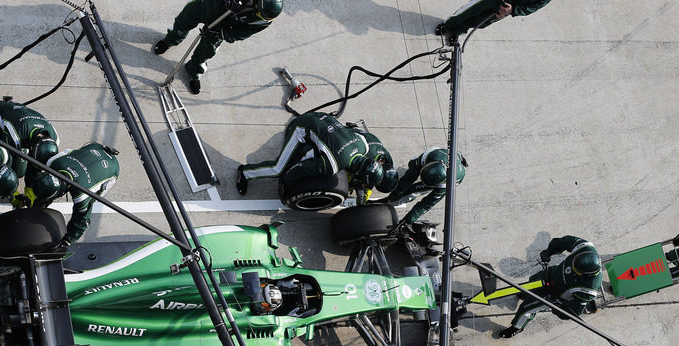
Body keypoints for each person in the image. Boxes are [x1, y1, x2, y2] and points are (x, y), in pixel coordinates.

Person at [236, 112, 397, 197]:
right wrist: (286, 182)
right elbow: (301, 169)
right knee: (279, 169)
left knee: (322, 149)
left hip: (323, 117)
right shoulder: (333, 164)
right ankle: (244, 172)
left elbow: (352, 132)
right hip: (301, 127)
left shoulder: (363, 145)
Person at [153, 0, 283, 94]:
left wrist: (222, 33)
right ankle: (170, 40)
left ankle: (194, 71)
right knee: (184, 21)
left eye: (263, 17)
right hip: (208, 6)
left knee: (207, 52)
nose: (259, 16)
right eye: (259, 13)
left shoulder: (263, 20)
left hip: (221, 26)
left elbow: (244, 33)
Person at [499, 235, 602, 338]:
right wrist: (549, 252)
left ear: (586, 274)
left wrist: (557, 309)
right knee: (531, 280)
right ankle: (527, 294)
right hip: (550, 274)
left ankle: (517, 327)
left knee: (526, 308)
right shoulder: (585, 247)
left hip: (552, 295)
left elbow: (572, 312)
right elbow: (564, 242)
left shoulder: (588, 290)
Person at [21, 143, 120, 247]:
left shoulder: (82, 194)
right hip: (94, 147)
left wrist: (68, 240)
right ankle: (38, 206)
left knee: (91, 202)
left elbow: (82, 221)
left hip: (112, 168)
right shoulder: (53, 162)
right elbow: (68, 152)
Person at [0, 98, 60, 178]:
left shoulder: (55, 138)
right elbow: (5, 158)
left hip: (18, 117)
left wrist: (30, 186)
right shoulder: (16, 134)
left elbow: (36, 165)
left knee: (19, 172)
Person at [378, 148, 467, 224]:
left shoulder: (445, 186)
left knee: (413, 192)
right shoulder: (429, 156)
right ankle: (393, 198)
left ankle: (396, 201)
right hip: (438, 156)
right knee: (412, 165)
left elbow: (425, 205)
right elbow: (409, 177)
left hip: (453, 175)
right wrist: (396, 192)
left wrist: (407, 221)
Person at [436, 0, 553, 43]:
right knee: (470, 11)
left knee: (481, 22)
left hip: (506, 8)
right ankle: (447, 25)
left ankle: (457, 31)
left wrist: (512, 10)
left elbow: (531, 7)